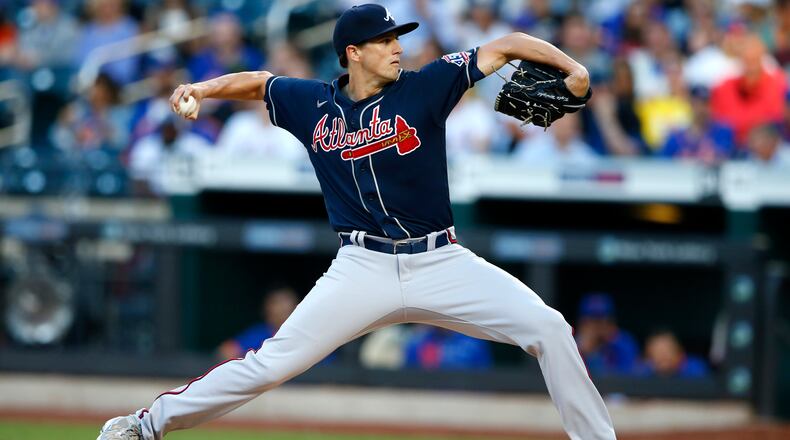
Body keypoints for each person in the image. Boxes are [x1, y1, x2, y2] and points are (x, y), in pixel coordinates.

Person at [97, 4, 615, 440]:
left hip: (440, 260)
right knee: (271, 363)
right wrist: (203, 89)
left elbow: (506, 43)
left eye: (398, 37)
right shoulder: (313, 103)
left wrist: (574, 69)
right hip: (361, 268)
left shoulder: (427, 86)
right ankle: (145, 426)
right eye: (385, 39)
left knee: (548, 326)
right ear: (353, 52)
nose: (397, 47)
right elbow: (260, 83)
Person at [216, 286, 299, 360]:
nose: (283, 307)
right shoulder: (260, 333)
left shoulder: (301, 332)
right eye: (278, 302)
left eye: (286, 301)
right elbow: (226, 351)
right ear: (267, 308)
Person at [574, 292, 639, 376]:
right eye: (594, 319)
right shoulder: (573, 345)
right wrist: (586, 352)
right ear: (582, 322)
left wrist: (612, 342)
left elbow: (630, 375)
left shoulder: (623, 343)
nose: (599, 325)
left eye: (604, 318)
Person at [637, 329, 708, 378]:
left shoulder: (694, 368)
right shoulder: (642, 372)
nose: (663, 356)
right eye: (657, 352)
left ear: (679, 352)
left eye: (667, 350)